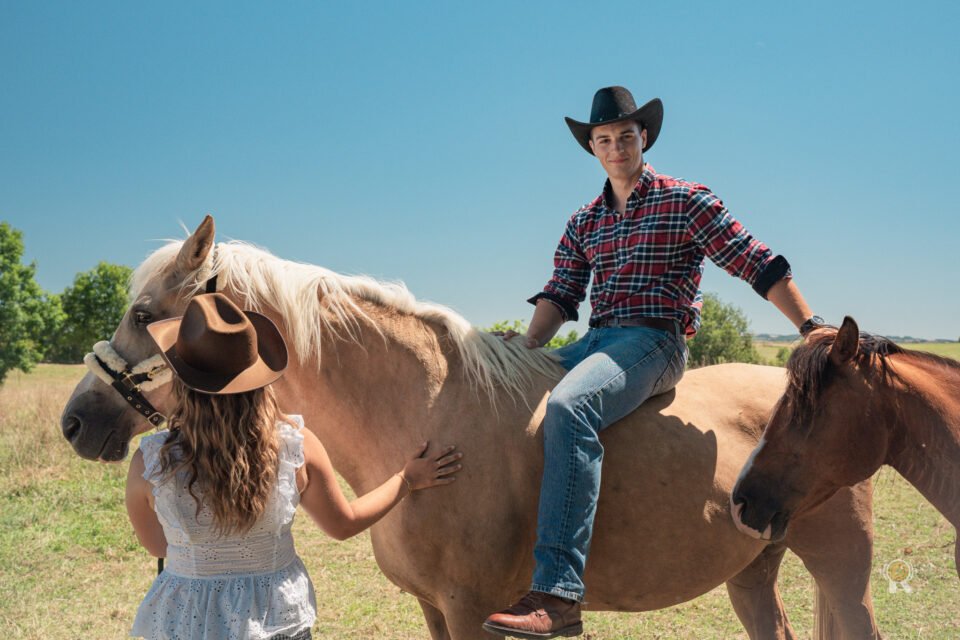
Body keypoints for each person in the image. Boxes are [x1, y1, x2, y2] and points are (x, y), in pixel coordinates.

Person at [483, 86, 824, 639]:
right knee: (505, 395)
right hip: (595, 340)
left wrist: (809, 327)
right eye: (604, 139)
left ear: (644, 138)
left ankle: (560, 594)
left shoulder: (685, 200)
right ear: (592, 148)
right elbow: (561, 294)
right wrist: (522, 351)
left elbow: (753, 260)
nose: (615, 147)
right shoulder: (584, 220)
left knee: (572, 406)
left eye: (625, 136)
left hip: (654, 342)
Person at [125, 293, 463, 640]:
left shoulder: (150, 462)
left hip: (186, 620)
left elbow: (158, 546)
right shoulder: (294, 446)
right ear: (257, 380)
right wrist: (406, 478)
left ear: (182, 381)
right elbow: (343, 524)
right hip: (275, 618)